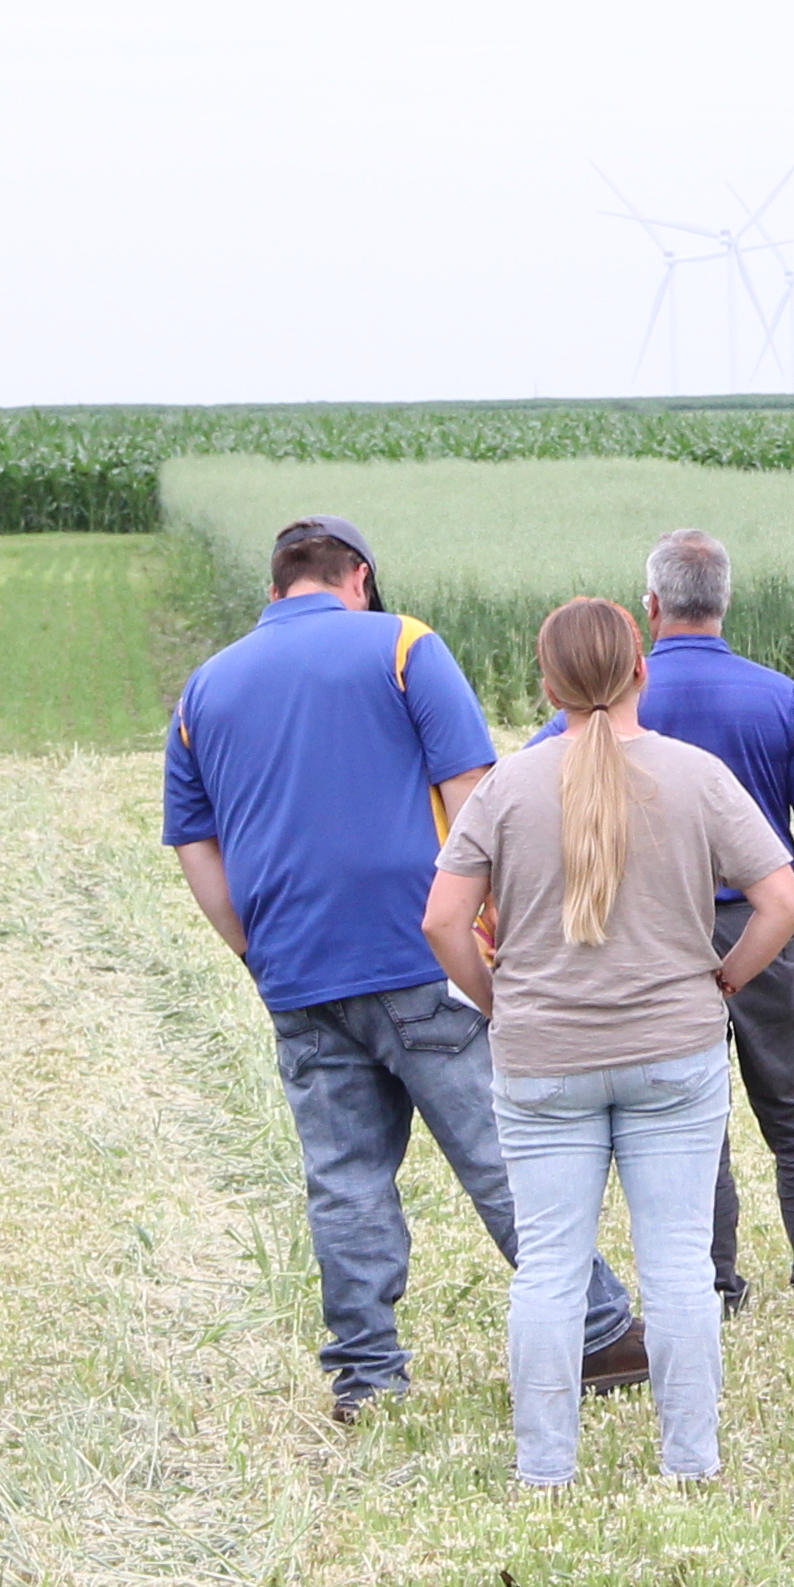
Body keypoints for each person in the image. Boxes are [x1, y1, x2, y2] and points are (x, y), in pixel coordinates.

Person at [167, 513, 634, 1422]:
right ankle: (599, 1331)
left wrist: (254, 948)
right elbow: (474, 792)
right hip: (419, 950)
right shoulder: (403, 647)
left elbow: (196, 847)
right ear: (361, 578)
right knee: (500, 1155)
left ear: (275, 589)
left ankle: (366, 1375)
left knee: (343, 1177)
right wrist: (492, 920)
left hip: (297, 969)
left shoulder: (204, 688)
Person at [425, 599, 794, 1488]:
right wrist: (727, 978)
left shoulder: (507, 787)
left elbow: (444, 920)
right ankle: (690, 1464)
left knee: (549, 1270)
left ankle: (546, 1470)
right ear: (643, 669)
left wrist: (498, 997)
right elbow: (784, 902)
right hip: (674, 1051)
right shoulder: (696, 776)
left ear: (546, 682)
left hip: (543, 1058)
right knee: (679, 1265)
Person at [600, 530, 794, 1308]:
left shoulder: (621, 700)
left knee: (690, 1117)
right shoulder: (776, 695)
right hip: (765, 923)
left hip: (658, 934)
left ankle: (713, 1279)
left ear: (652, 606)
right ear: (724, 602)